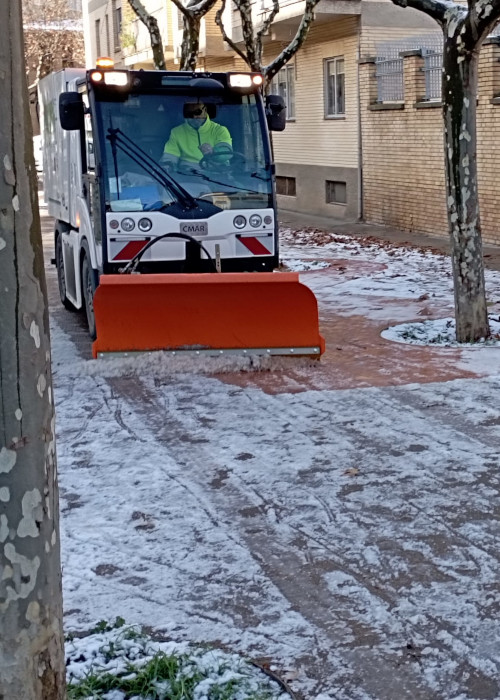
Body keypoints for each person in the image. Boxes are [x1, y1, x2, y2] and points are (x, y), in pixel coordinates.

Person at [160, 102, 232, 170]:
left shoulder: (220, 130)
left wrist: (213, 152)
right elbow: (170, 156)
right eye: (190, 114)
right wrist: (167, 166)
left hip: (218, 175)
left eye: (197, 112)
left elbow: (227, 152)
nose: (194, 117)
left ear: (205, 110)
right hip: (189, 176)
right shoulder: (176, 132)